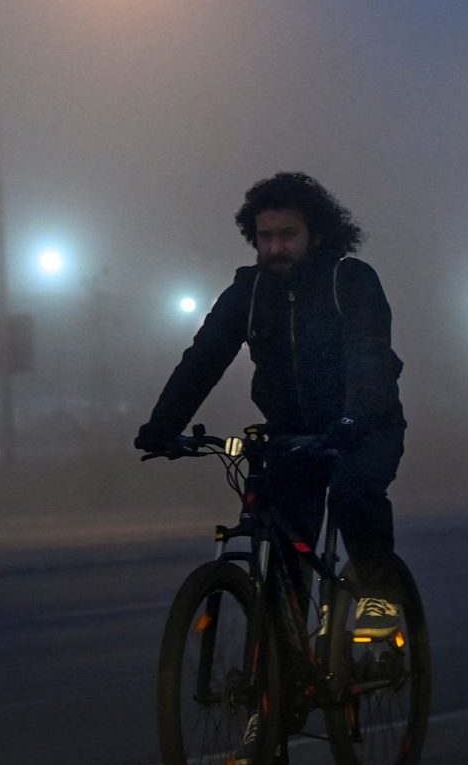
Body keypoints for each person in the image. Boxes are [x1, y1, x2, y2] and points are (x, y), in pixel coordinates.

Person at [135, 171, 409, 637]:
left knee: (352, 494)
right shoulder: (251, 292)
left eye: (288, 235)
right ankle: (287, 672)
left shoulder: (351, 281)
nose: (275, 247)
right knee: (279, 530)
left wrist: (354, 417)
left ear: (316, 234)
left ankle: (380, 596)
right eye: (265, 237)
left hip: (364, 425)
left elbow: (370, 359)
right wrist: (163, 426)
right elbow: (204, 358)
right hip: (293, 435)